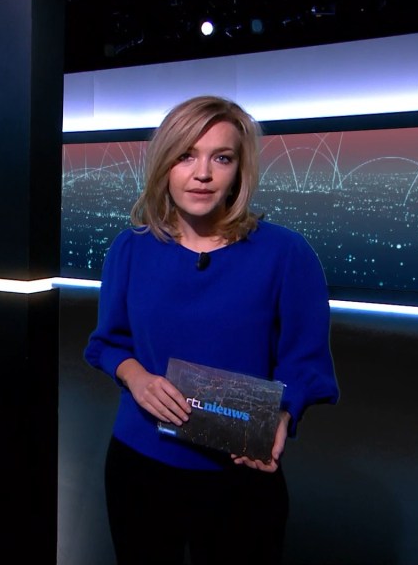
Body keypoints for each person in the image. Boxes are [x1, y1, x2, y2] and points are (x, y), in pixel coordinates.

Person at [84, 95, 339, 565]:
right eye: (186, 155)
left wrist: (282, 417)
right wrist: (136, 377)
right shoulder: (130, 248)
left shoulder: (286, 254)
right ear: (164, 164)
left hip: (241, 471)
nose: (202, 173)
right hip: (139, 464)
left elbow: (305, 363)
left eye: (221, 158)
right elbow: (107, 343)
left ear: (239, 170)